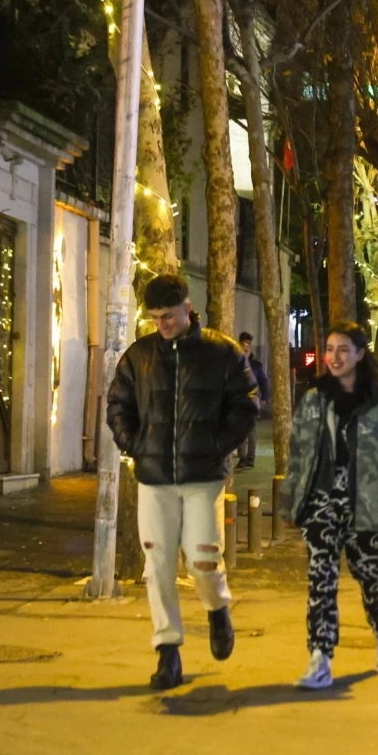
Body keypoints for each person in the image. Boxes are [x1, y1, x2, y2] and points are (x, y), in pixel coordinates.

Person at [105, 274, 257, 691]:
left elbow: (246, 402)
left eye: (168, 316)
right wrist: (135, 444)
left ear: (188, 308)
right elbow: (117, 403)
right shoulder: (139, 356)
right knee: (157, 566)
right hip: (154, 477)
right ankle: (167, 652)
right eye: (155, 317)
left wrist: (217, 445)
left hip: (203, 476)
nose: (162, 324)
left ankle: (216, 608)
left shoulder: (222, 353)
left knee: (203, 559)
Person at [280, 322, 378, 690]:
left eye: (343, 349)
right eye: (329, 349)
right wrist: (293, 502)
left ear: (360, 353)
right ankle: (320, 657)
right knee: (320, 581)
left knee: (373, 579)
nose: (334, 357)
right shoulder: (314, 399)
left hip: (369, 506)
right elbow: (299, 454)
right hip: (323, 504)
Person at [236, 332, 270, 470]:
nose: (246, 347)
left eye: (248, 344)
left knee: (251, 430)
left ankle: (250, 458)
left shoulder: (256, 365)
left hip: (252, 400)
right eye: (244, 344)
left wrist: (265, 397)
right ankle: (242, 458)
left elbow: (263, 381)